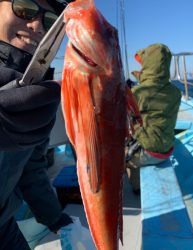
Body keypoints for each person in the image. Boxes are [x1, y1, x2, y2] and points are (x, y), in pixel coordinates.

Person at [0, 0, 74, 249]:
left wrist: (55, 217)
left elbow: (31, 168)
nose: (36, 25)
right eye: (24, 7)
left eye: (51, 20)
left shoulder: (38, 96)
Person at [126, 43, 182, 194]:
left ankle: (136, 188)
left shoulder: (136, 92)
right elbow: (155, 87)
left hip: (146, 154)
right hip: (167, 150)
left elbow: (127, 118)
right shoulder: (176, 93)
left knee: (118, 157)